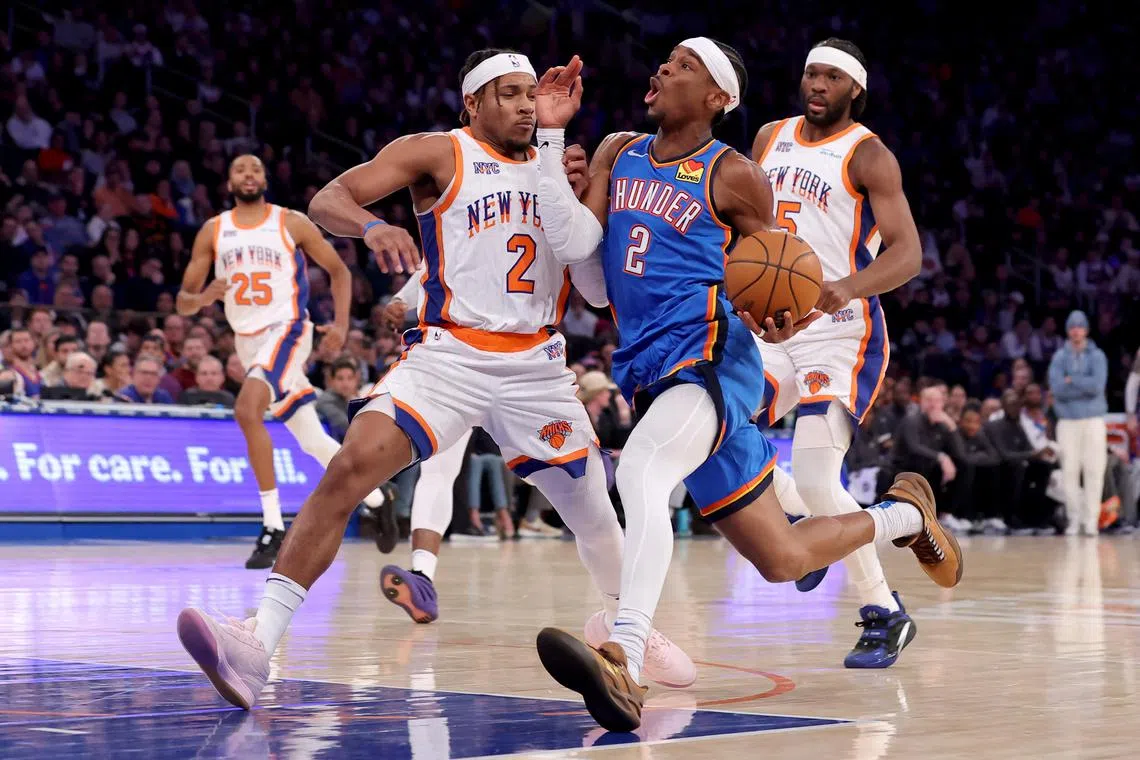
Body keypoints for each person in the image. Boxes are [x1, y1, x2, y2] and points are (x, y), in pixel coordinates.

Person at [175, 50, 696, 711]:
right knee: (349, 468)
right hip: (447, 356)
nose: (525, 105)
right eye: (508, 94)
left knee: (594, 513)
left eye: (530, 93)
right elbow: (329, 196)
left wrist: (577, 178)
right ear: (472, 104)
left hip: (536, 368)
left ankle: (630, 632)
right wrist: (371, 226)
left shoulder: (557, 167)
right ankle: (256, 642)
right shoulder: (438, 153)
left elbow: (595, 280)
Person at [530, 39, 961, 731]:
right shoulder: (617, 150)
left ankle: (626, 658)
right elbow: (588, 278)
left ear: (715, 99)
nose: (665, 68)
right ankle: (908, 515)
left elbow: (772, 267)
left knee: (642, 472)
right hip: (650, 365)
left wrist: (784, 312)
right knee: (782, 559)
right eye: (665, 60)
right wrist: (555, 152)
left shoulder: (736, 174)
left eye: (685, 65)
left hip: (715, 356)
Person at [749, 38, 924, 668]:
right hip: (772, 322)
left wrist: (845, 287)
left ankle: (885, 610)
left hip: (841, 327)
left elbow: (907, 253)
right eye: (809, 73)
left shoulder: (869, 154)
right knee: (710, 432)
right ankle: (812, 530)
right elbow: (744, 222)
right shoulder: (769, 137)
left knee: (823, 476)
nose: (816, 84)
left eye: (830, 76)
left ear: (855, 88)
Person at [174, 154, 394, 569]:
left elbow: (339, 271)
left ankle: (273, 526)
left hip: (288, 330)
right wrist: (204, 296)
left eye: (255, 168)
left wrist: (342, 325)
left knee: (246, 409)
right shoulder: (213, 230)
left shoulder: (289, 221)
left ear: (265, 178)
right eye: (240, 169)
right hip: (247, 342)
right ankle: (379, 497)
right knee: (310, 439)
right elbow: (183, 302)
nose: (249, 174)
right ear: (228, 181)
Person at [1048, 310, 1109, 536]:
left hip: (1093, 420)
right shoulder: (1058, 357)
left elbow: (1097, 386)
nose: (1076, 331)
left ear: (1086, 330)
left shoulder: (1098, 356)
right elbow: (1057, 390)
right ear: (1068, 330)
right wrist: (1080, 385)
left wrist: (1071, 380)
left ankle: (1091, 520)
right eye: (1072, 327)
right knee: (1069, 472)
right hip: (1067, 421)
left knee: (1094, 471)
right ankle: (1074, 519)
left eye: (1080, 327)